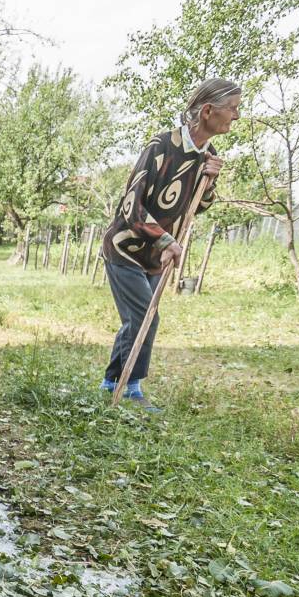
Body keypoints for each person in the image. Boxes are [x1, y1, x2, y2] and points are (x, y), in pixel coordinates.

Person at [99, 78, 240, 411]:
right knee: (145, 317)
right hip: (125, 247)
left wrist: (210, 182)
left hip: (155, 256)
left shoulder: (208, 155)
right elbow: (130, 205)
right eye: (232, 108)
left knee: (136, 320)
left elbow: (198, 207)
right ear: (208, 111)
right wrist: (165, 239)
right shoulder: (161, 146)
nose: (237, 116)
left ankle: (111, 382)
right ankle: (131, 388)